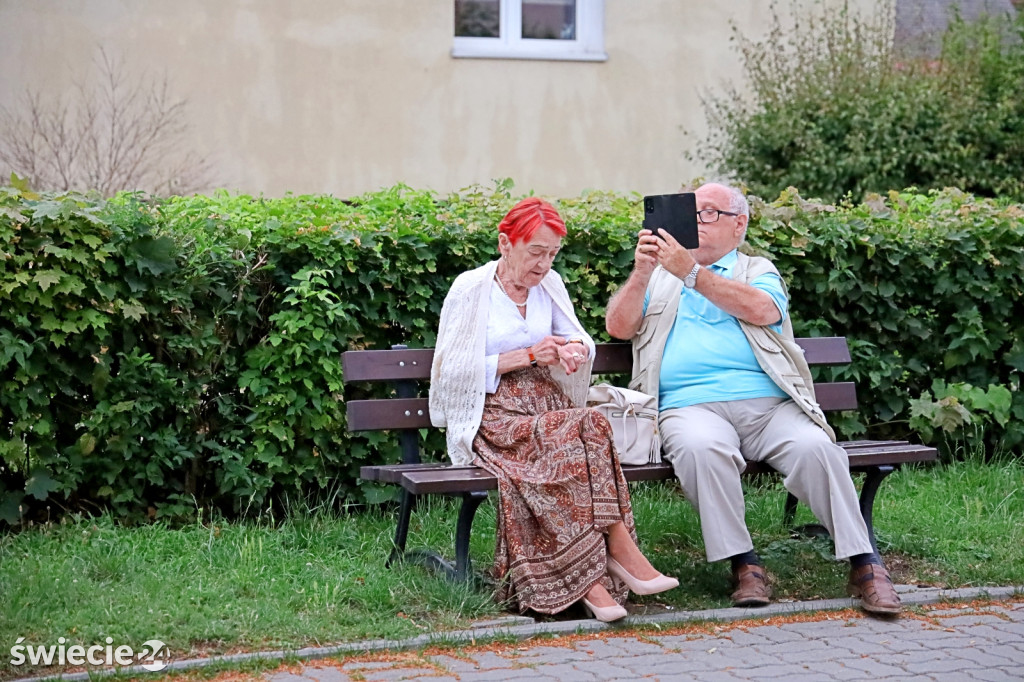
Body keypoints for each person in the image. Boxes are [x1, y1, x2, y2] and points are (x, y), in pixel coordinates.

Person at [604, 182, 901, 616]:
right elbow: (619, 327)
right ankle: (744, 563)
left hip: (768, 407)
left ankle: (865, 563)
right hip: (689, 407)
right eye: (694, 212)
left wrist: (692, 273)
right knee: (702, 449)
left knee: (816, 448)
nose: (697, 221)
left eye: (709, 213)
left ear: (738, 224)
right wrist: (643, 272)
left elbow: (763, 310)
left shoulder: (756, 268)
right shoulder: (661, 280)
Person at [429, 197, 678, 622]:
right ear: (506, 244)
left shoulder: (551, 285)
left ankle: (597, 577)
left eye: (552, 254)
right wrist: (525, 355)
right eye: (536, 252)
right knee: (579, 433)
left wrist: (573, 350)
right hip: (494, 415)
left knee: (581, 435)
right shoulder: (471, 288)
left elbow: (578, 337)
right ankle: (612, 559)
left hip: (548, 409)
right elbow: (450, 371)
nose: (544, 264)